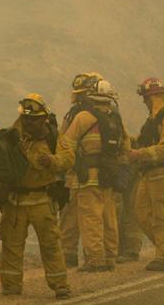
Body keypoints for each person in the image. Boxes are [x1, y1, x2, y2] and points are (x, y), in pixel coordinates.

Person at [42, 73, 128, 272]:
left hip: (85, 177)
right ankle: (109, 257)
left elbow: (66, 144)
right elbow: (125, 147)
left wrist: (56, 164)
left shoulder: (82, 117)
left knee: (90, 217)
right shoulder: (115, 117)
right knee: (109, 216)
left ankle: (94, 259)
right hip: (108, 176)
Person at [0, 94, 72, 299]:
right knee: (11, 244)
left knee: (50, 244)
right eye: (26, 118)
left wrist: (52, 161)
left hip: (41, 200)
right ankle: (11, 286)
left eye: (34, 118)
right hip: (16, 201)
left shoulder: (53, 136)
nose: (29, 122)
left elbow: (68, 158)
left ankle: (60, 285)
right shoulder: (11, 136)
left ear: (43, 118)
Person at [128, 77, 164, 271]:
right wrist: (127, 142)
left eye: (146, 98)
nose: (144, 102)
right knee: (141, 212)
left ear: (154, 96)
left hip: (163, 172)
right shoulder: (154, 118)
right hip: (148, 172)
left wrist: (140, 154)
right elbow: (144, 140)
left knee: (162, 216)